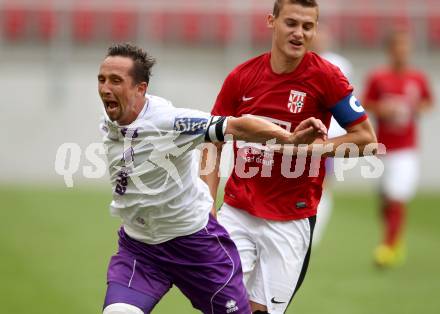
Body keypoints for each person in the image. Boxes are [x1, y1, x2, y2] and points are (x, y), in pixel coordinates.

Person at [98, 43, 327, 314]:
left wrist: (289, 137)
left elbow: (237, 125)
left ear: (141, 88)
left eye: (116, 81)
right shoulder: (111, 117)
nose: (105, 88)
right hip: (141, 249)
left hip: (195, 246)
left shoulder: (171, 122)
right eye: (101, 79)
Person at [201, 1, 377, 313]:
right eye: (291, 23)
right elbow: (212, 141)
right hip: (238, 212)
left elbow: (366, 139)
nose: (299, 33)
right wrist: (206, 202)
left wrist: (311, 149)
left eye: (307, 26)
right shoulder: (241, 78)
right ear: (272, 21)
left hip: (291, 221)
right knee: (220, 304)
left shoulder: (326, 77)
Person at [363, 29, 433, 268]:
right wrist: (383, 109)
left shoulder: (418, 78)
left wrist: (415, 109)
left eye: (406, 47)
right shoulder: (378, 78)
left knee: (396, 197)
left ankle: (388, 247)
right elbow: (365, 103)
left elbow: (427, 103)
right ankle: (395, 240)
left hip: (406, 150)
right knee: (384, 200)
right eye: (398, 47)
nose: (402, 51)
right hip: (382, 148)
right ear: (390, 50)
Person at [310, 24, 353, 245]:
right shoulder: (300, 62)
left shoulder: (339, 65)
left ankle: (313, 231)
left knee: (322, 183)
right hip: (304, 135)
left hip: (330, 136)